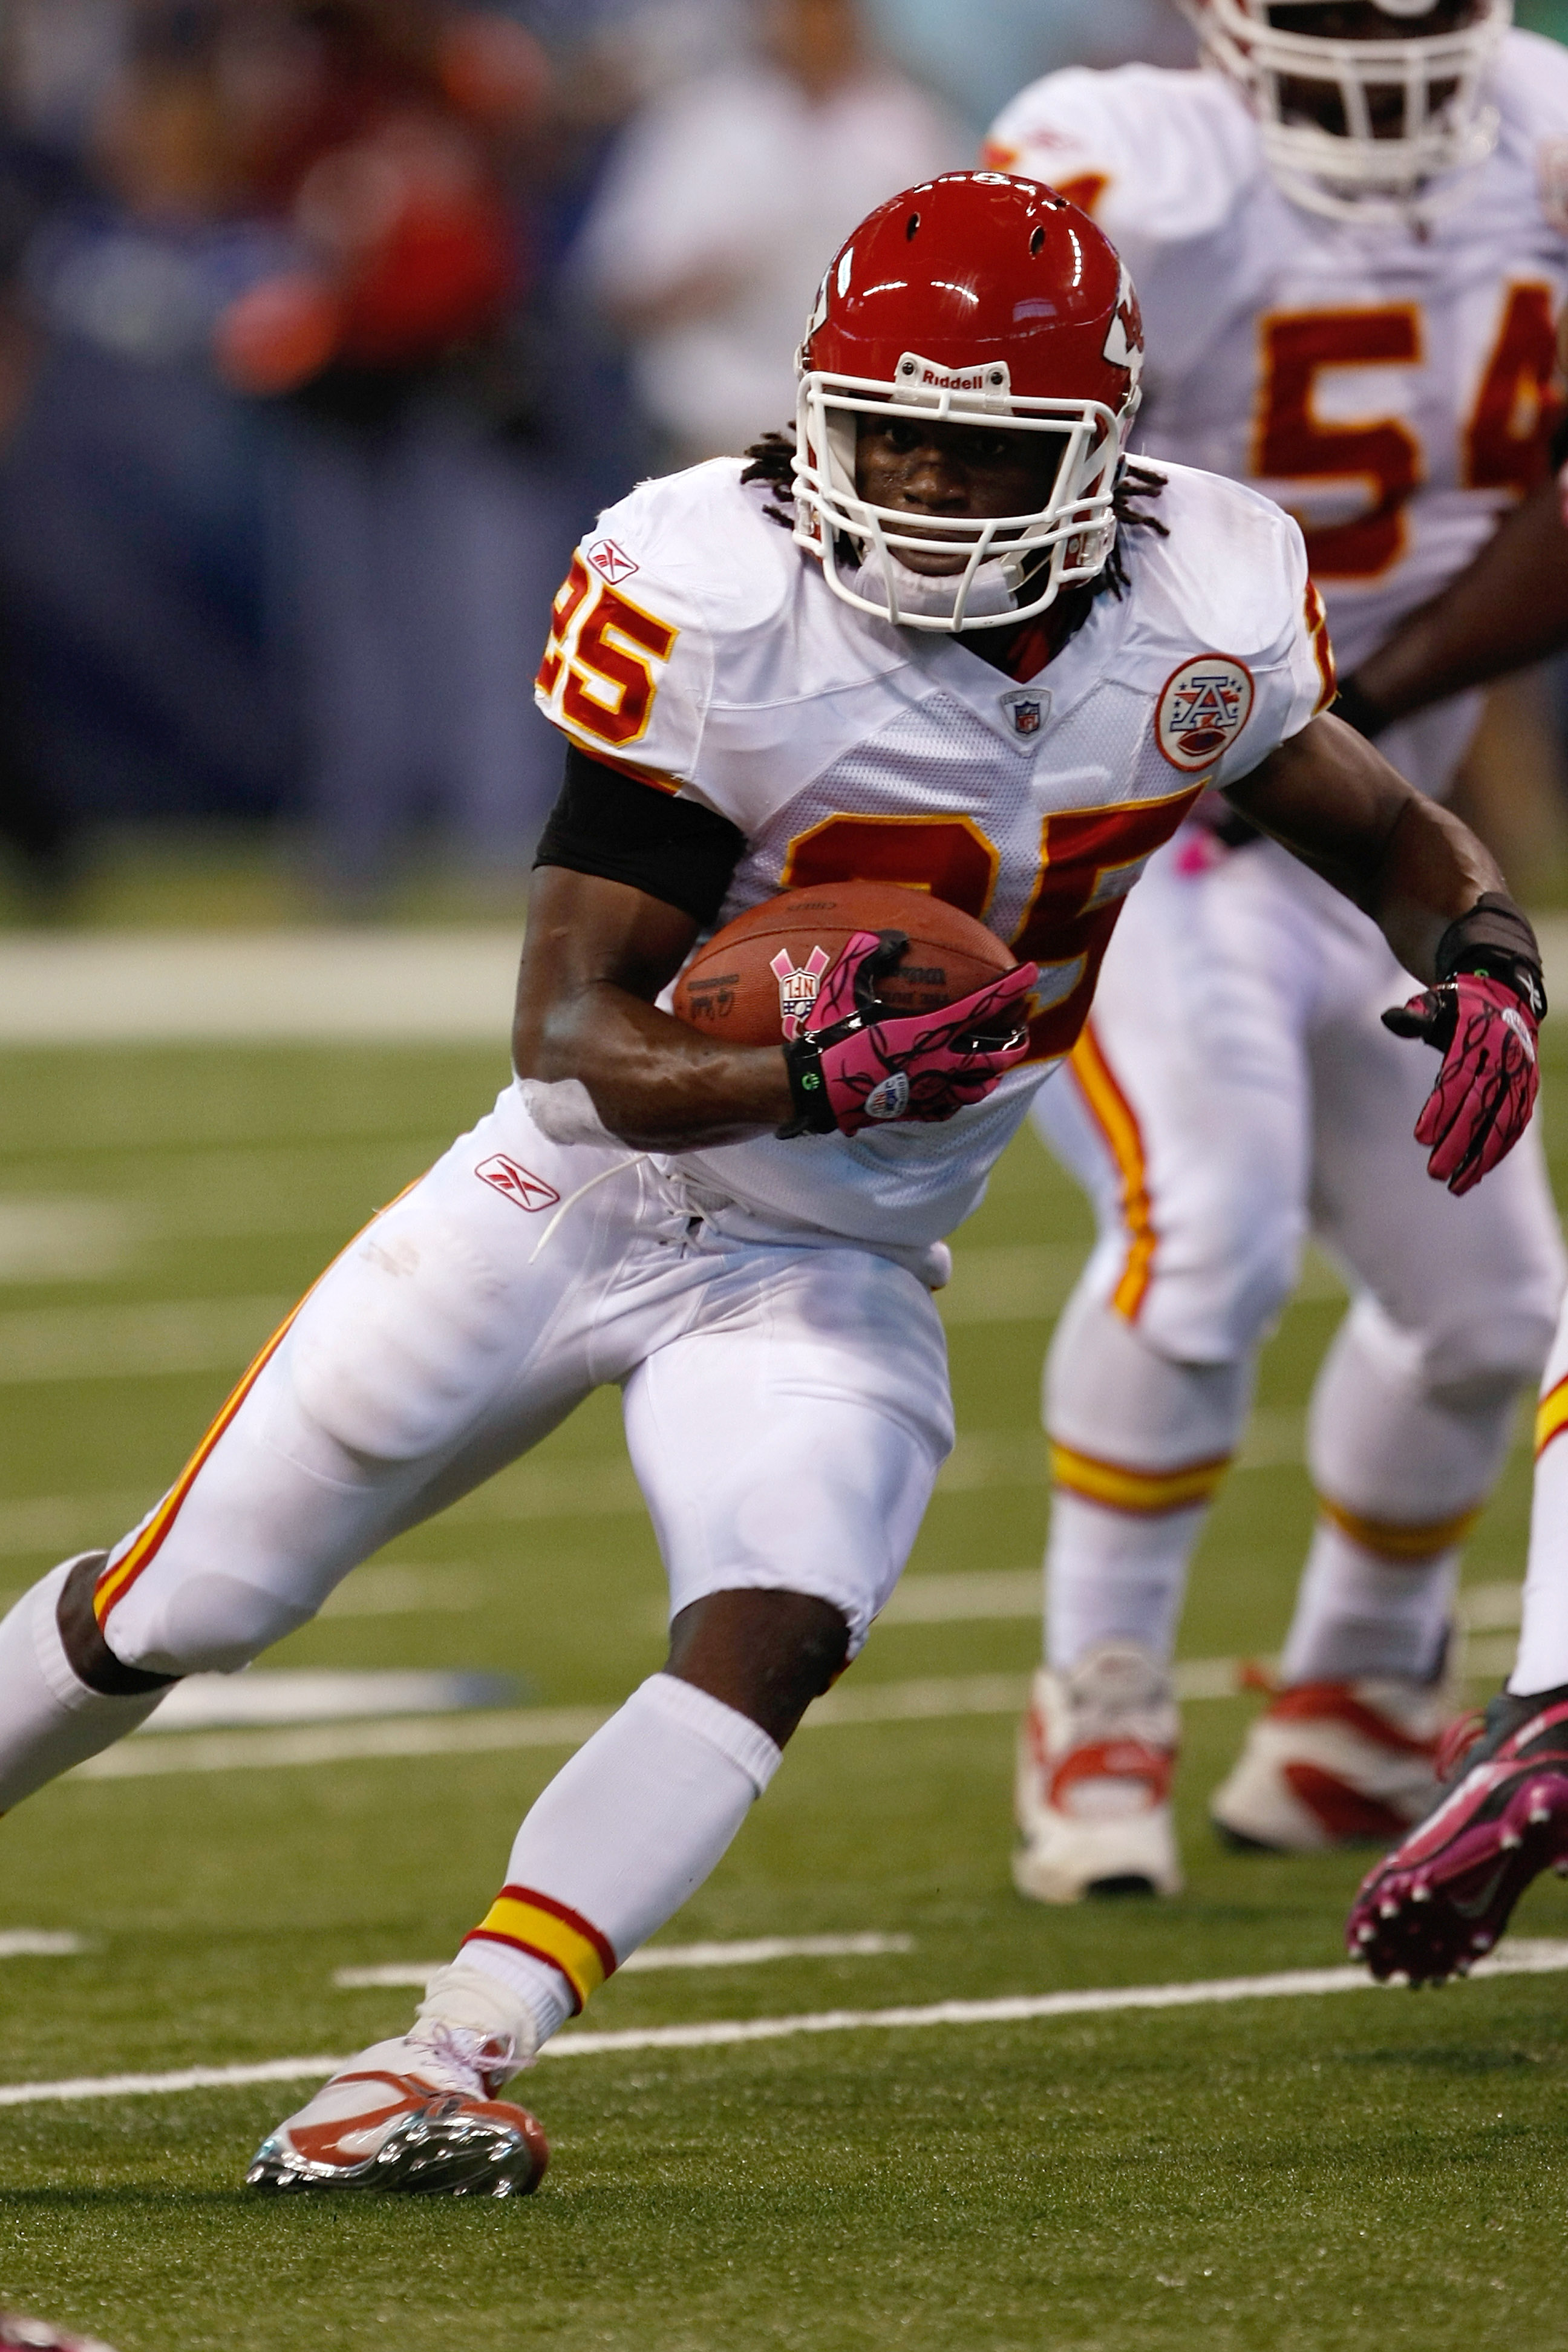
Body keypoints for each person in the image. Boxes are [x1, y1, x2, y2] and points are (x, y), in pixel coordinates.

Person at [0, 171, 1539, 2195]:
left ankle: (441, 2055)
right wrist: (799, 1061)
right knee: (184, 1598)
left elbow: (1371, 812)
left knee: (784, 1605)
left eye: (964, 439)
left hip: (840, 1255)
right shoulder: (713, 588)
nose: (904, 473)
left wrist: (1490, 953)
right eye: (877, 422)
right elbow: (570, 1024)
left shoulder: (1202, 603)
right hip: (563, 1208)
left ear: (1090, 450)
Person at [983, 0, 1568, 1902]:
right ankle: (1100, 1695)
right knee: (1207, 1234)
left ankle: (1342, 1712)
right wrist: (1203, 708)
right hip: (1150, 831)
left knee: (1493, 1321)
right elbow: (974, 474)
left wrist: (1358, 703)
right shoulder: (1128, 161)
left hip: (1393, 822)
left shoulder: (1548, 133)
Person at [573, 0, 962, 464]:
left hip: (865, 439)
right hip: (717, 438)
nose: (815, 26)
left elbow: (966, 284)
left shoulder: (906, 125)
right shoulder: (702, 121)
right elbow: (611, 291)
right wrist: (698, 285)